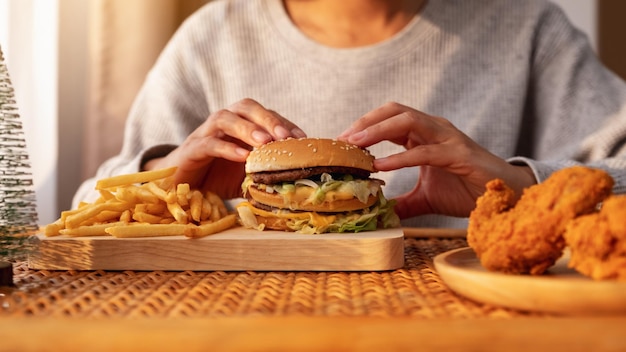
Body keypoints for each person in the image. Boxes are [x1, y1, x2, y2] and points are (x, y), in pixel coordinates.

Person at [73, 0, 626, 229]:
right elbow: (78, 215)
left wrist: (519, 183)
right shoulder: (211, 37)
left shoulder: (528, 28)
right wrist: (168, 175)